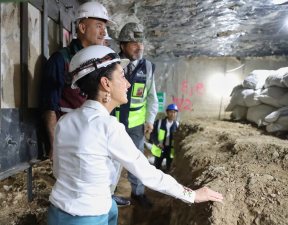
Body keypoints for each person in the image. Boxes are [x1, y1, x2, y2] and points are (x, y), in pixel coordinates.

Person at [47, 45, 223, 225]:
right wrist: (191, 195)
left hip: (56, 212)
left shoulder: (64, 121)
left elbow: (60, 172)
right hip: (89, 217)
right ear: (106, 84)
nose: (128, 84)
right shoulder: (108, 127)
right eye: (122, 77)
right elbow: (147, 173)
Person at [40, 2, 129, 207]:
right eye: (99, 25)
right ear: (82, 27)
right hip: (75, 135)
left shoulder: (105, 57)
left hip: (99, 128)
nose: (103, 32)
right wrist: (54, 144)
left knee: (108, 170)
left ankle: (107, 196)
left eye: (104, 27)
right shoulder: (60, 59)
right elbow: (49, 105)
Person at [115, 22, 158, 208]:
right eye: (134, 44)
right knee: (111, 160)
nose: (139, 47)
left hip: (135, 126)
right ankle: (110, 193)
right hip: (113, 123)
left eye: (141, 44)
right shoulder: (112, 64)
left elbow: (152, 97)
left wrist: (150, 120)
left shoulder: (148, 68)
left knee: (136, 161)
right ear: (123, 46)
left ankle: (138, 193)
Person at [150, 104, 179, 173]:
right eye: (171, 112)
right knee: (156, 169)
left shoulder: (177, 125)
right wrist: (157, 143)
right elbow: (153, 135)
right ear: (167, 112)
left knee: (169, 170)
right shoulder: (159, 122)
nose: (173, 114)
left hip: (170, 150)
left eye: (175, 112)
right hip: (159, 149)